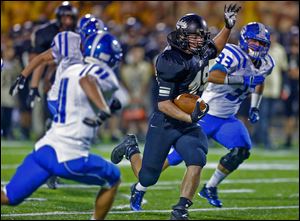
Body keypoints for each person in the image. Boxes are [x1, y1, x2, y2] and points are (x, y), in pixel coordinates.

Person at [111, 3, 241, 220]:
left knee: (197, 158)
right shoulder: (170, 60)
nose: (200, 40)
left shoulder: (198, 50)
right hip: (165, 121)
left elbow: (216, 47)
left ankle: (181, 209)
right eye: (195, 36)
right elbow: (163, 104)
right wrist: (189, 116)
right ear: (182, 35)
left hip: (187, 123)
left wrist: (227, 26)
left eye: (202, 36)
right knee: (148, 176)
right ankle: (131, 148)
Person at [1, 31, 123, 220]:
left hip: (44, 148)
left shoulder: (70, 69)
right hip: (69, 155)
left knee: (9, 196)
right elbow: (87, 81)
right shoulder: (104, 73)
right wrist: (104, 108)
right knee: (113, 178)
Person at [165, 22, 274, 208]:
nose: (258, 46)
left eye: (262, 43)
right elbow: (212, 75)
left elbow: (259, 81)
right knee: (176, 157)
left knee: (241, 150)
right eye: (254, 41)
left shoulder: (266, 63)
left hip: (228, 118)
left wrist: (255, 106)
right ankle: (141, 185)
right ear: (244, 40)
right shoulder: (233, 54)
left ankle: (210, 187)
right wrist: (243, 79)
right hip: (206, 113)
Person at [9, 16, 106, 190]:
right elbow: (41, 59)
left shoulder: (101, 49)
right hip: (59, 97)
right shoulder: (69, 41)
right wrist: (25, 78)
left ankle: (51, 167)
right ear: (82, 35)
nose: (95, 41)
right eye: (91, 37)